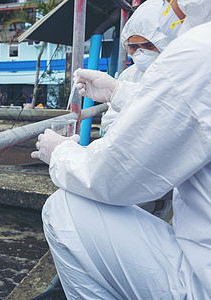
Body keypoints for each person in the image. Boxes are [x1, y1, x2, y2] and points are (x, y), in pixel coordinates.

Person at [31, 1, 211, 298]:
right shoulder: (180, 58)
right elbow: (174, 116)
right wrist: (118, 92)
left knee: (63, 208)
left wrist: (61, 152)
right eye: (132, 47)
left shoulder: (198, 50)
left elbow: (114, 175)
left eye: (147, 45)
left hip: (201, 280)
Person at [101, 0, 173, 134]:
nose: (141, 53)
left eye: (148, 45)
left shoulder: (181, 73)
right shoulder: (129, 76)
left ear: (165, 42)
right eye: (134, 47)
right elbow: (109, 122)